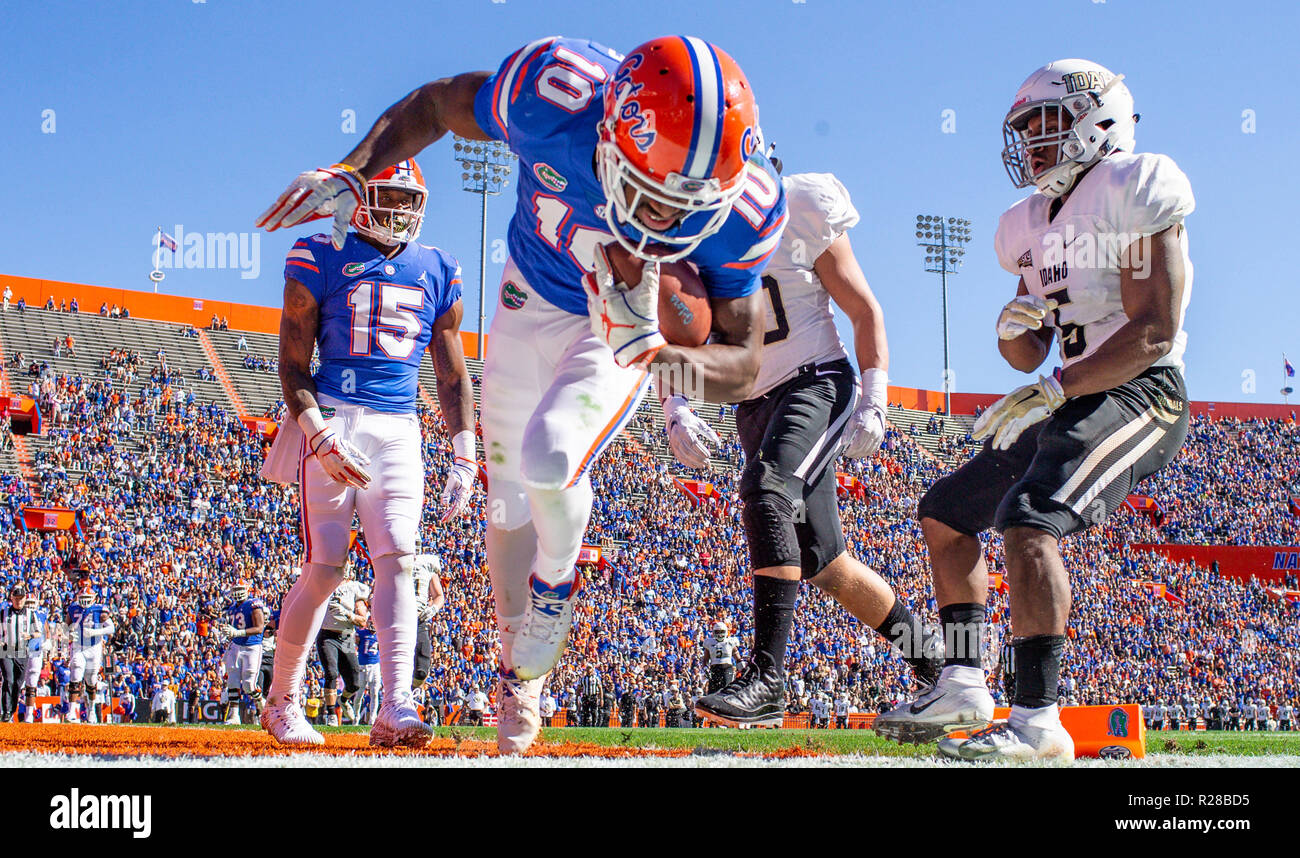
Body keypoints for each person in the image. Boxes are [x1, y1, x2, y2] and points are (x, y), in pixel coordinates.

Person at [257, 35, 785, 754]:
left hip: (614, 328)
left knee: (550, 455)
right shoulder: (553, 93)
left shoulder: (748, 207)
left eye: (685, 206)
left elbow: (744, 364)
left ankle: (558, 588)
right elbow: (438, 102)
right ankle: (519, 683)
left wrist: (663, 363)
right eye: (654, 197)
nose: (667, 222)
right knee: (505, 506)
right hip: (528, 297)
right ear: (608, 129)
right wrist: (355, 168)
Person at [876, 60, 1194, 763]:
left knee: (1029, 521)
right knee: (947, 512)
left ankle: (1037, 720)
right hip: (1072, 391)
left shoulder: (1131, 185)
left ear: (1098, 120)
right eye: (1025, 129)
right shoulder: (1026, 222)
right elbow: (1028, 350)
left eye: (1046, 124)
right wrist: (1013, 329)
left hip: (1141, 391)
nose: (1033, 142)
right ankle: (963, 678)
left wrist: (1056, 386)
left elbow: (1153, 332)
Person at [686, 171, 942, 728]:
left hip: (814, 381)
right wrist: (677, 404)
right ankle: (934, 658)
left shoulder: (799, 204)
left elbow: (863, 308)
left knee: (766, 489)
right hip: (753, 402)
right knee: (824, 563)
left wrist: (875, 396)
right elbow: (677, 331)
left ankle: (767, 679)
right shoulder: (684, 224)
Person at [255, 156, 478, 749]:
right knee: (326, 566)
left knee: (400, 559)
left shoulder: (437, 267)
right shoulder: (320, 253)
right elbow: (292, 363)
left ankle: (396, 702)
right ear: (356, 200)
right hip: (332, 416)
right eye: (390, 197)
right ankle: (281, 699)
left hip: (400, 426)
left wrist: (464, 450)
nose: (401, 211)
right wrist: (319, 433)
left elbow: (451, 372)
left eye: (410, 201)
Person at [315, 562, 370, 727]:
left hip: (346, 636)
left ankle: (344, 700)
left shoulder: (354, 588)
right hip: (327, 634)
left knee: (354, 683)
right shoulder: (324, 585)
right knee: (331, 672)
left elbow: (363, 621)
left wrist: (347, 614)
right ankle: (331, 714)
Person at [217, 578, 265, 724]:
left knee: (249, 685)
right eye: (235, 590)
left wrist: (238, 633)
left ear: (247, 589)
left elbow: (259, 628)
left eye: (240, 589)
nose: (238, 593)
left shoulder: (254, 604)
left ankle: (261, 704)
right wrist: (229, 633)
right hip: (236, 646)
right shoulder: (232, 608)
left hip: (251, 646)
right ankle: (234, 715)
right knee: (233, 681)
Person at [1, 583, 49, 723]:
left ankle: (11, 709)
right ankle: (6, 711)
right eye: (16, 598)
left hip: (22, 651)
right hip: (6, 650)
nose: (19, 601)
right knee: (8, 679)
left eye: (21, 598)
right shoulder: (3, 612)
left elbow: (38, 632)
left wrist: (31, 636)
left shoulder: (30, 614)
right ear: (12, 598)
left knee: (18, 682)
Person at [66, 585, 114, 724]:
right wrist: (68, 633)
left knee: (91, 680)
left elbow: (111, 627)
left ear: (94, 598)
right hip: (78, 646)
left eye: (88, 598)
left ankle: (91, 710)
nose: (85, 601)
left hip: (94, 647)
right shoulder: (73, 608)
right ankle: (71, 712)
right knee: (75, 674)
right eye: (83, 598)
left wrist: (95, 632)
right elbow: (65, 626)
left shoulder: (100, 610)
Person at [411, 546, 445, 690]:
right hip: (398, 618)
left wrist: (432, 608)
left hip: (419, 619)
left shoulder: (427, 564)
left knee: (421, 669)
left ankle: (411, 692)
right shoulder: (394, 561)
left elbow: (439, 596)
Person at [701, 621, 739, 695]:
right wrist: (705, 668)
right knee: (713, 692)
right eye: (717, 631)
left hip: (727, 668)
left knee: (727, 690)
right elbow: (705, 659)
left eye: (721, 631)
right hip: (714, 668)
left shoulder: (730, 642)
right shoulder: (709, 642)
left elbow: (738, 658)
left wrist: (741, 667)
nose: (720, 634)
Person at [356, 617, 381, 724]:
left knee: (375, 693)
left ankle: (372, 719)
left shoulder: (380, 634)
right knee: (359, 694)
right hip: (362, 665)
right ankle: (356, 717)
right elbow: (355, 642)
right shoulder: (362, 633)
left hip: (375, 665)